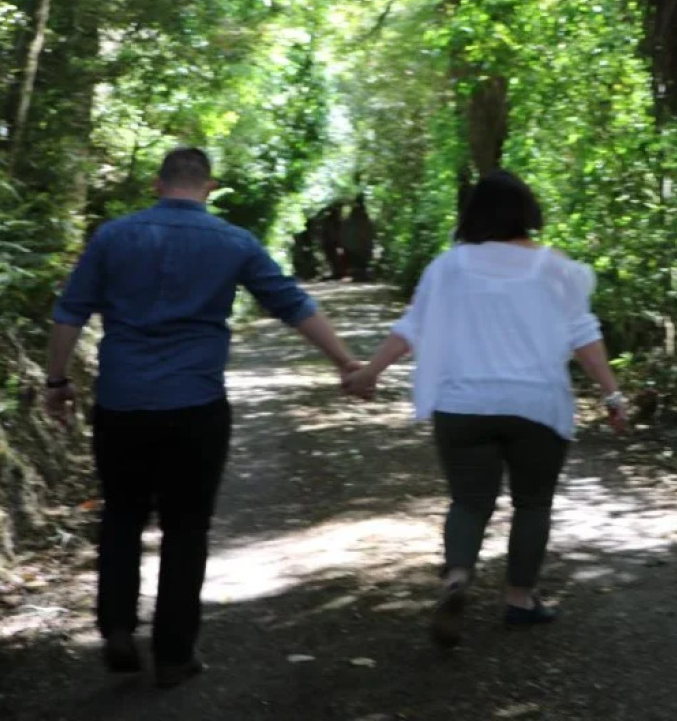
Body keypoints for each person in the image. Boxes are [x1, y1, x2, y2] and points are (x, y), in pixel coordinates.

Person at [44, 147, 360, 688]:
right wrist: (347, 363)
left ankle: (118, 626)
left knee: (122, 514)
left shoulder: (113, 236)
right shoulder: (234, 241)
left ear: (156, 183)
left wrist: (56, 381)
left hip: (121, 404)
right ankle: (173, 655)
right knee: (186, 529)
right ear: (208, 187)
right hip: (195, 408)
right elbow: (291, 304)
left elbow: (69, 312)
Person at [344, 170, 628, 648]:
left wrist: (370, 371)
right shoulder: (553, 266)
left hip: (462, 405)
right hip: (536, 405)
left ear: (472, 214)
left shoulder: (448, 267)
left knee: (469, 501)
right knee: (532, 502)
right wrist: (612, 395)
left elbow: (413, 326)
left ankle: (457, 577)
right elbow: (583, 334)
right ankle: (520, 598)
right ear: (527, 212)